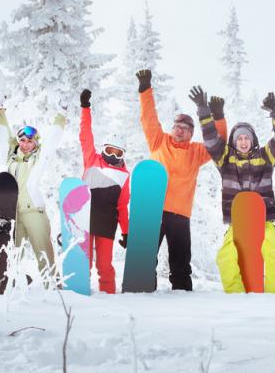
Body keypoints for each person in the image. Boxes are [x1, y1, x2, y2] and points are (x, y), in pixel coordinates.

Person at [190, 83, 275, 293]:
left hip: (265, 220)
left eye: (247, 137)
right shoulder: (225, 159)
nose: (243, 141)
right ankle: (235, 295)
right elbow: (210, 139)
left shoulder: (265, 156)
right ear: (235, 141)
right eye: (239, 138)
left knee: (270, 252)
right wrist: (204, 111)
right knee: (225, 256)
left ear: (252, 140)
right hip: (238, 221)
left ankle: (274, 294)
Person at [136, 69, 227, 291]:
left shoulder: (197, 152)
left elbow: (219, 143)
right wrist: (145, 89)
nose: (180, 131)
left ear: (191, 134)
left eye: (186, 129)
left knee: (180, 260)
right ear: (172, 128)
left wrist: (218, 116)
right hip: (153, 209)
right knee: (145, 256)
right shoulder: (159, 141)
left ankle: (182, 293)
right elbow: (149, 119)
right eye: (177, 126)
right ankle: (141, 289)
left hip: (180, 213)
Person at [0, 107, 65, 281]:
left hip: (34, 211)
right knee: (11, 253)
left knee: (43, 253)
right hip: (13, 214)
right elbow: (3, 138)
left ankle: (53, 286)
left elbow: (51, 142)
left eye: (30, 141)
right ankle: (8, 284)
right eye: (22, 140)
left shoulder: (39, 158)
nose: (25, 144)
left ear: (35, 142)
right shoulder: (10, 157)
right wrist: (0, 115)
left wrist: (60, 118)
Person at [79, 89, 130, 294]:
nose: (112, 155)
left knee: (104, 265)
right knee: (84, 263)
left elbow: (122, 206)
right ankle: (80, 296)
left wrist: (126, 232)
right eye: (109, 150)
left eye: (117, 152)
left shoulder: (124, 175)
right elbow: (85, 136)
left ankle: (108, 296)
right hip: (85, 218)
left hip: (107, 223)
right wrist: (85, 109)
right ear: (103, 149)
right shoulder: (92, 160)